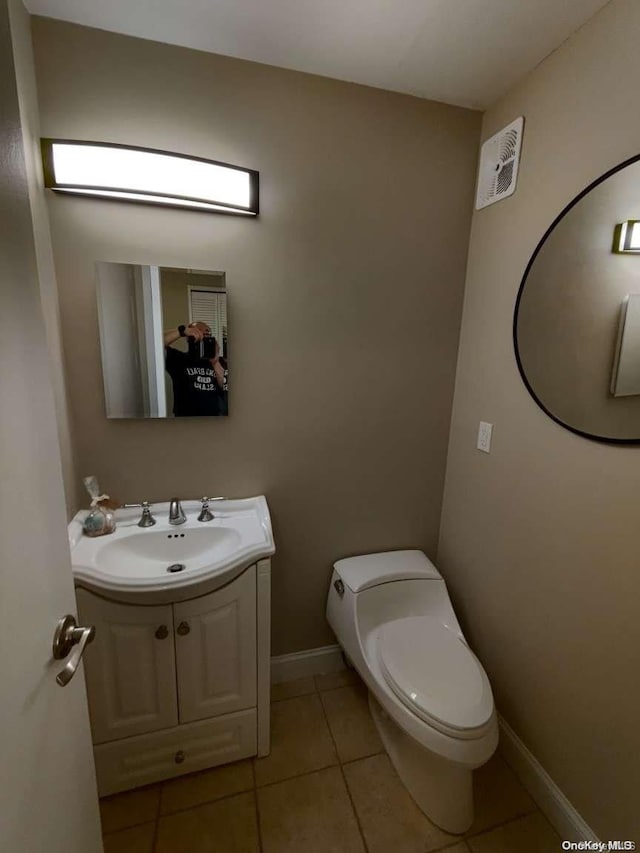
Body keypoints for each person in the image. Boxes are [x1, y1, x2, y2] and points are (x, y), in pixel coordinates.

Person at [163, 322, 226, 416]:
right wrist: (181, 331)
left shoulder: (219, 361)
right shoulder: (178, 358)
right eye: (196, 333)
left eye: (206, 335)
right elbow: (153, 343)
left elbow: (224, 386)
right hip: (185, 420)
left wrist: (215, 363)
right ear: (188, 337)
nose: (202, 337)